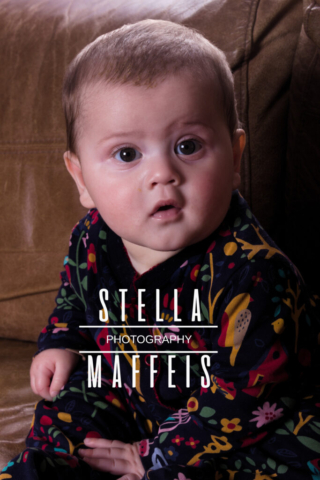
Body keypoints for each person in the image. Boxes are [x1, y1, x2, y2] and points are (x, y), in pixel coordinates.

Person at [2, 19, 319, 480]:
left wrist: (158, 455)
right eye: (127, 154)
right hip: (135, 390)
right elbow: (76, 299)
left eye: (187, 146)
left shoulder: (253, 272)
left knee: (288, 453)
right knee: (67, 405)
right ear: (81, 179)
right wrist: (63, 341)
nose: (162, 174)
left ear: (234, 156)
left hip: (247, 416)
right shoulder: (92, 237)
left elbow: (246, 393)